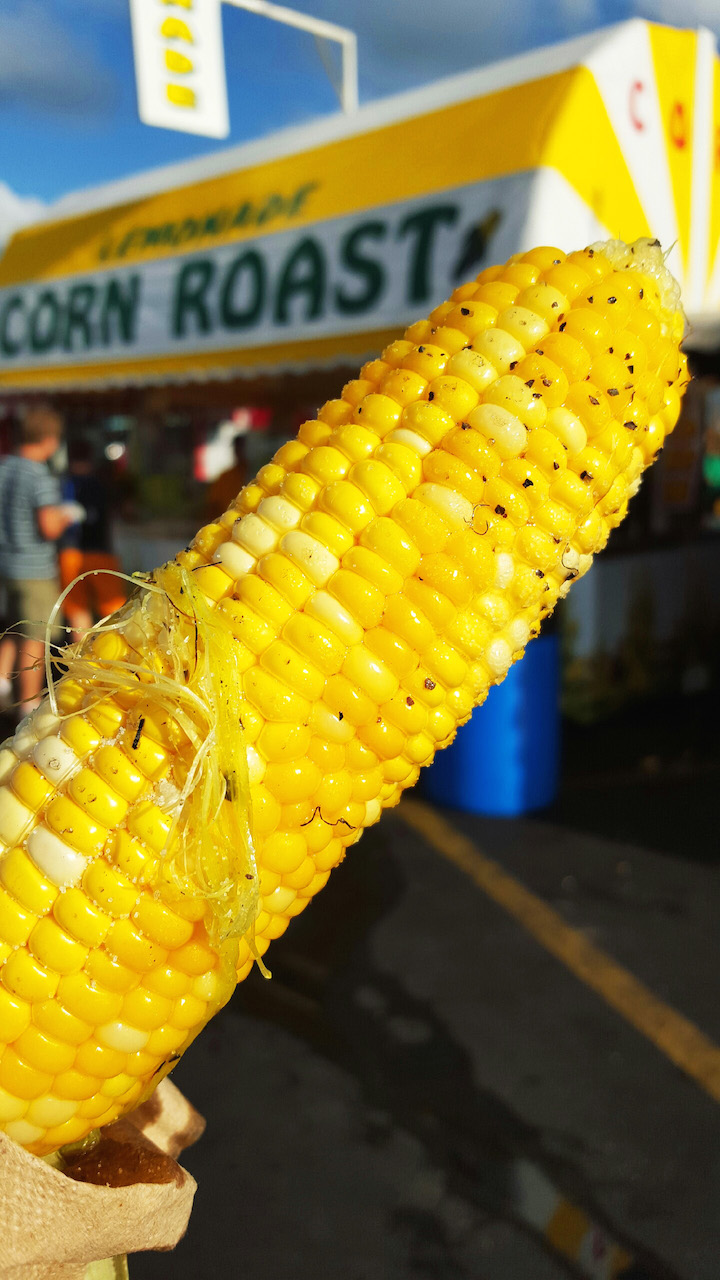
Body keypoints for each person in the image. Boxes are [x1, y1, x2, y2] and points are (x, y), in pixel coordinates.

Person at [0, 403, 80, 718]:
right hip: (34, 567)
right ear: (49, 439)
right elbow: (47, 526)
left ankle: (3, 682)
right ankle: (28, 703)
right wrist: (67, 516)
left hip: (6, 563)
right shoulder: (39, 475)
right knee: (35, 636)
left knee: (14, 627)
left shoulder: (4, 466)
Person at [58, 437, 127, 642]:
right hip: (100, 553)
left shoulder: (63, 484)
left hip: (69, 553)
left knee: (78, 613)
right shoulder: (101, 484)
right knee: (114, 615)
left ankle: (81, 664)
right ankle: (115, 662)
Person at [205, 431, 247, 517]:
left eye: (241, 448)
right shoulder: (226, 477)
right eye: (237, 448)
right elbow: (213, 504)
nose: (239, 452)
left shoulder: (254, 474)